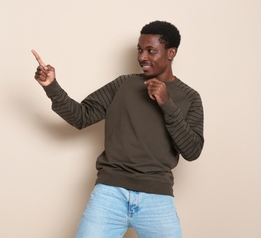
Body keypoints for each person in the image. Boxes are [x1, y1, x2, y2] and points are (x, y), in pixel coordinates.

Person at [32, 20, 204, 238]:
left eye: (151, 51)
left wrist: (166, 103)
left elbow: (192, 151)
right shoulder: (123, 84)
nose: (142, 57)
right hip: (110, 192)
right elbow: (81, 117)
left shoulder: (189, 97)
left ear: (171, 53)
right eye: (140, 50)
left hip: (157, 197)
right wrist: (52, 87)